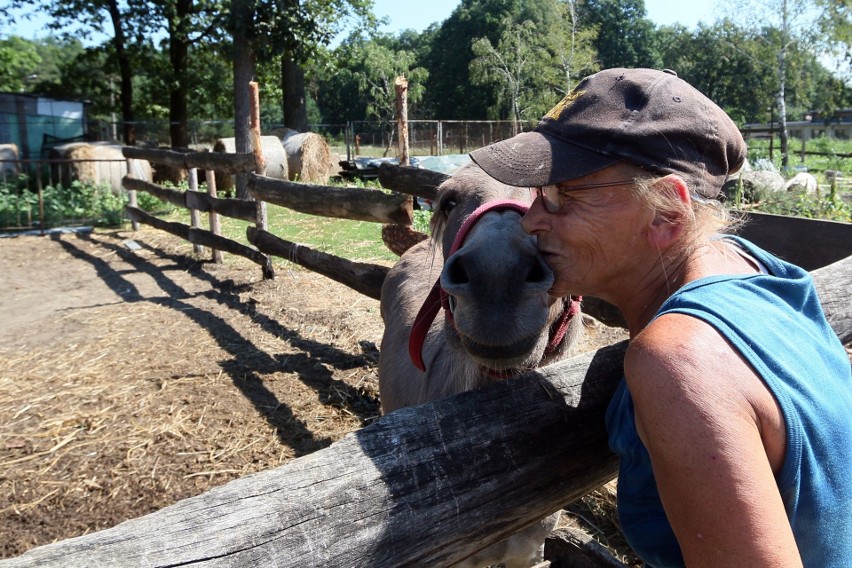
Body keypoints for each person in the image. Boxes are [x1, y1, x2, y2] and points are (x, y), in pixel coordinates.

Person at [469, 67, 852, 567]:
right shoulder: (755, 269)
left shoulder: (677, 363)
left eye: (561, 196)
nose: (532, 219)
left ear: (667, 212)